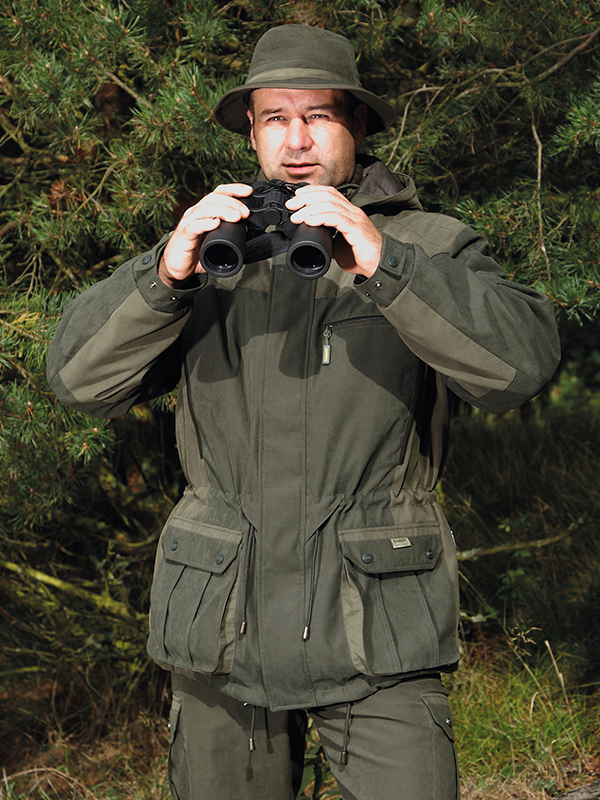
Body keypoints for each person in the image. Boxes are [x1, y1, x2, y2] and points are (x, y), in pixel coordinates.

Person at [47, 24, 560, 800]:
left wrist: (387, 263)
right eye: (274, 120)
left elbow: (520, 369)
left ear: (355, 124)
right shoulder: (209, 249)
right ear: (252, 133)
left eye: (317, 116)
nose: (295, 141)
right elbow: (78, 382)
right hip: (221, 629)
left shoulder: (431, 243)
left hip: (378, 630)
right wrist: (165, 277)